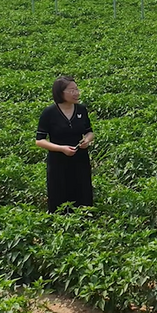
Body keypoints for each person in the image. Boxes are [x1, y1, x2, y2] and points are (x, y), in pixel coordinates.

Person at [36, 76, 95, 213]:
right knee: (59, 195)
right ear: (60, 92)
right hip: (58, 162)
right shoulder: (49, 113)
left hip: (80, 159)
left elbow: (89, 132)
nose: (76, 93)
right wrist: (61, 149)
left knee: (82, 193)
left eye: (77, 89)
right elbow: (40, 140)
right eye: (72, 90)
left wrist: (87, 140)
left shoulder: (81, 110)